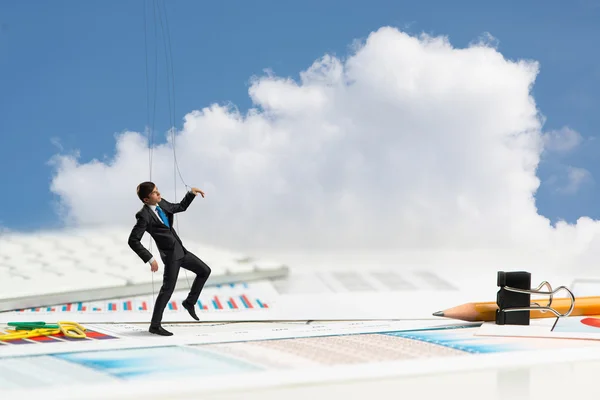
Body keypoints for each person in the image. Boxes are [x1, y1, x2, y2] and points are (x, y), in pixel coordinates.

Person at [128, 181, 211, 336]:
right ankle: (155, 325)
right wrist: (150, 259)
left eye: (157, 190)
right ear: (146, 199)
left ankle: (189, 302)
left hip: (181, 251)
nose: (159, 194)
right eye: (154, 193)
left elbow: (180, 207)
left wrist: (191, 194)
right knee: (167, 290)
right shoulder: (144, 216)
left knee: (205, 270)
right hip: (171, 256)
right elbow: (133, 240)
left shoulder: (162, 203)